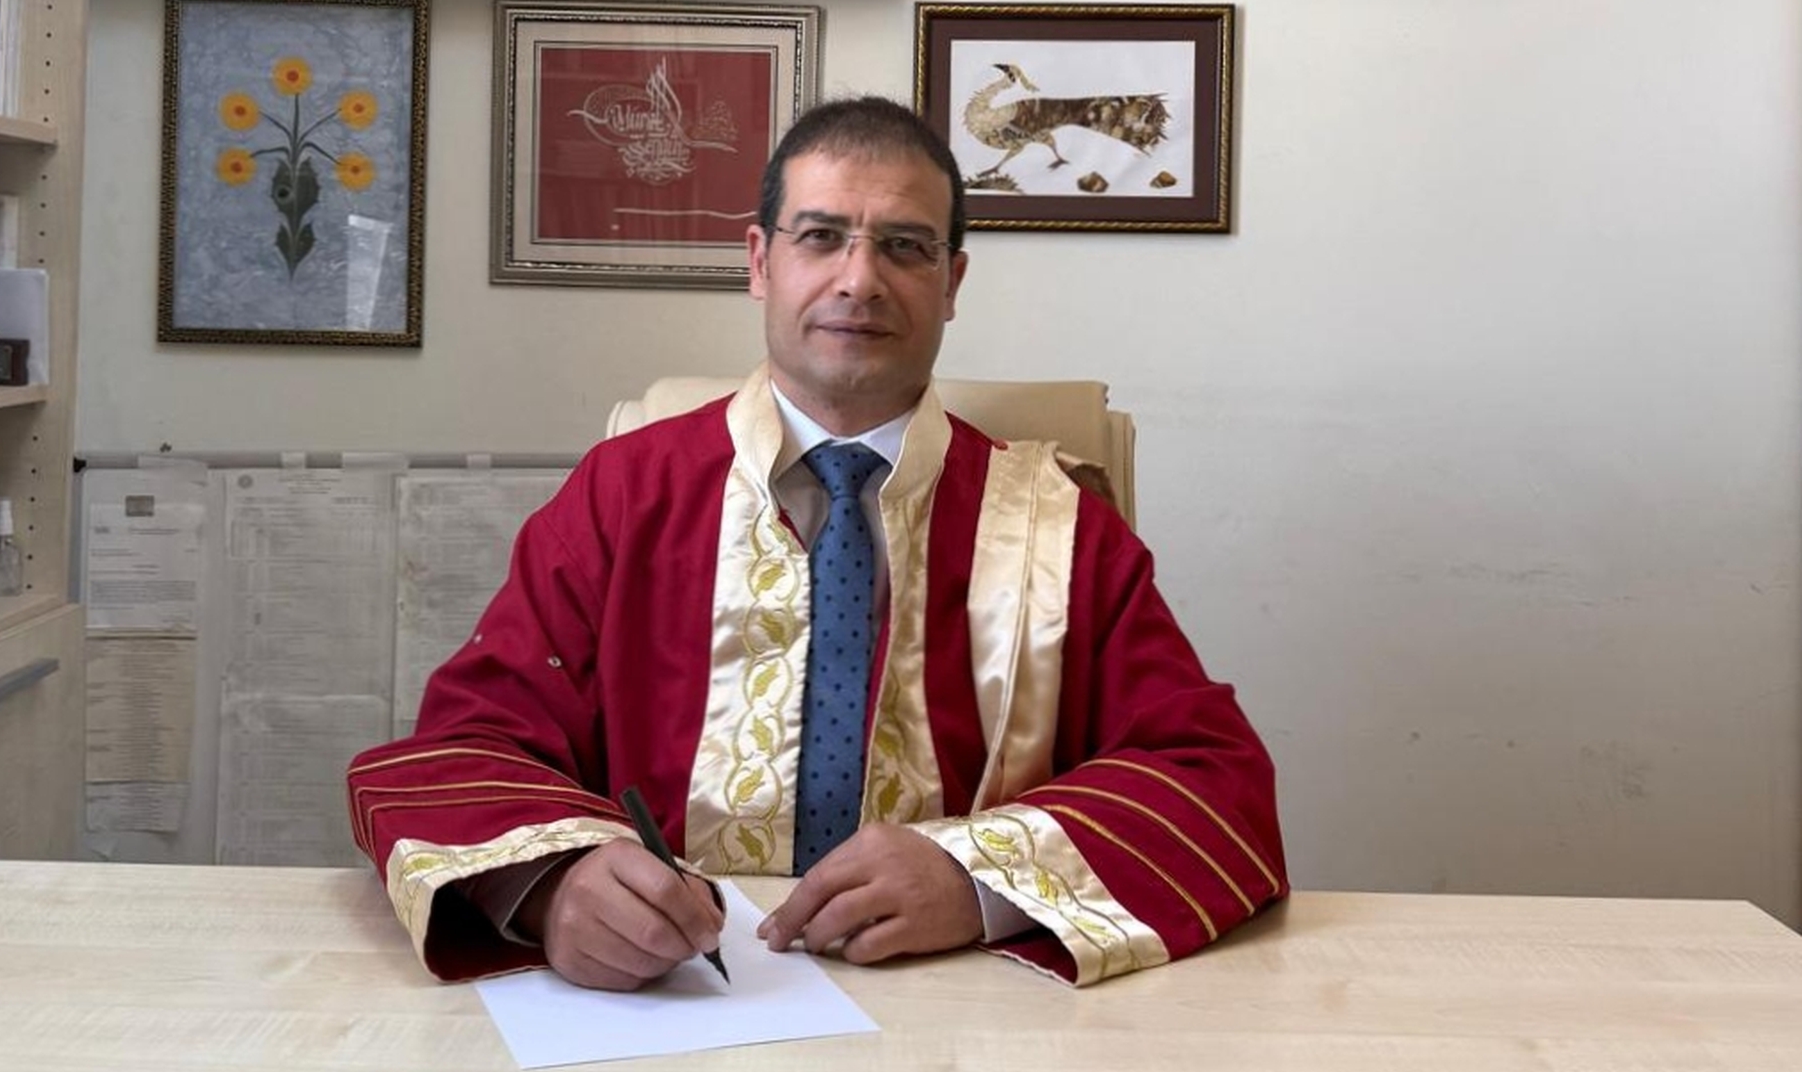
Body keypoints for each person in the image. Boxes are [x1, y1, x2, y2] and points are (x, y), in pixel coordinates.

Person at [348, 97, 1286, 988]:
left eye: (905, 246)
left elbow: (1213, 783)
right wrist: (557, 883)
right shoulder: (621, 495)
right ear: (760, 260)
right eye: (821, 235)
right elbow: (467, 745)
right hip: (674, 999)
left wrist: (978, 877)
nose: (859, 279)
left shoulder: (1058, 520)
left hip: (967, 1011)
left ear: (952, 283)